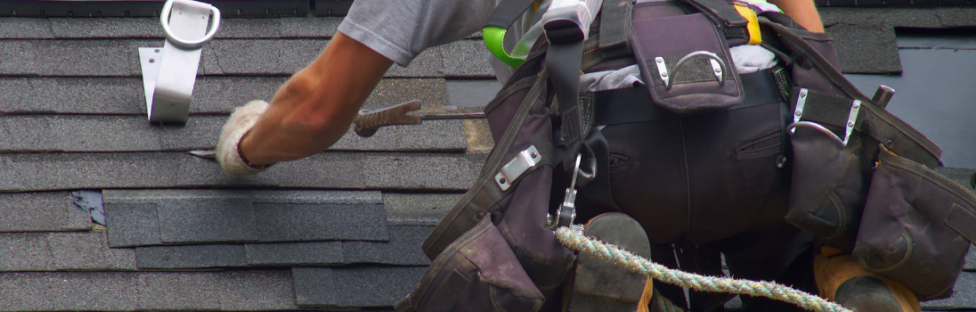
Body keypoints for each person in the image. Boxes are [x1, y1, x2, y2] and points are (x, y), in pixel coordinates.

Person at [210, 1, 923, 311]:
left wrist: (245, 146)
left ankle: (611, 285)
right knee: (795, 191)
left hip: (619, 161)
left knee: (524, 253)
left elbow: (316, 108)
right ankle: (842, 272)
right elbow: (820, 64)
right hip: (773, 148)